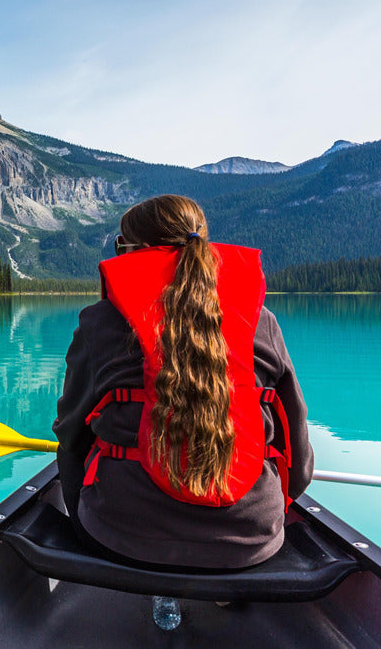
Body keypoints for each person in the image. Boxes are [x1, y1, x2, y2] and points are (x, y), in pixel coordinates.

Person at [53, 194, 313, 569]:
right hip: (251, 542)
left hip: (122, 537)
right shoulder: (262, 323)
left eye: (120, 247)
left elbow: (71, 438)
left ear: (137, 252)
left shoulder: (100, 322)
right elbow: (299, 462)